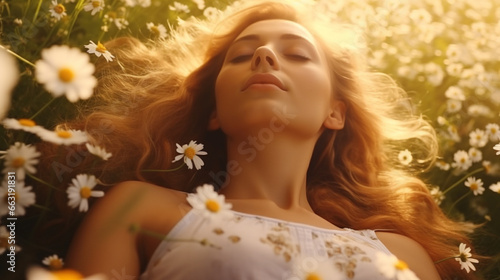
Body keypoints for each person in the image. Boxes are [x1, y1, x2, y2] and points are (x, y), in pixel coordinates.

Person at [65, 0, 477, 279]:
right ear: (213, 111)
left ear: (335, 111)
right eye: (242, 56)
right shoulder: (140, 208)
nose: (265, 56)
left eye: (297, 54)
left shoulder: (403, 256)